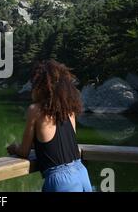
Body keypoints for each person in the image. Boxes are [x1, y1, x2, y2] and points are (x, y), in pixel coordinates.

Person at [7, 59, 92, 192]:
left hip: (60, 180)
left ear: (41, 85)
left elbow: (24, 152)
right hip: (81, 172)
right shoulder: (69, 110)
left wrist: (14, 148)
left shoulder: (35, 110)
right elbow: (65, 142)